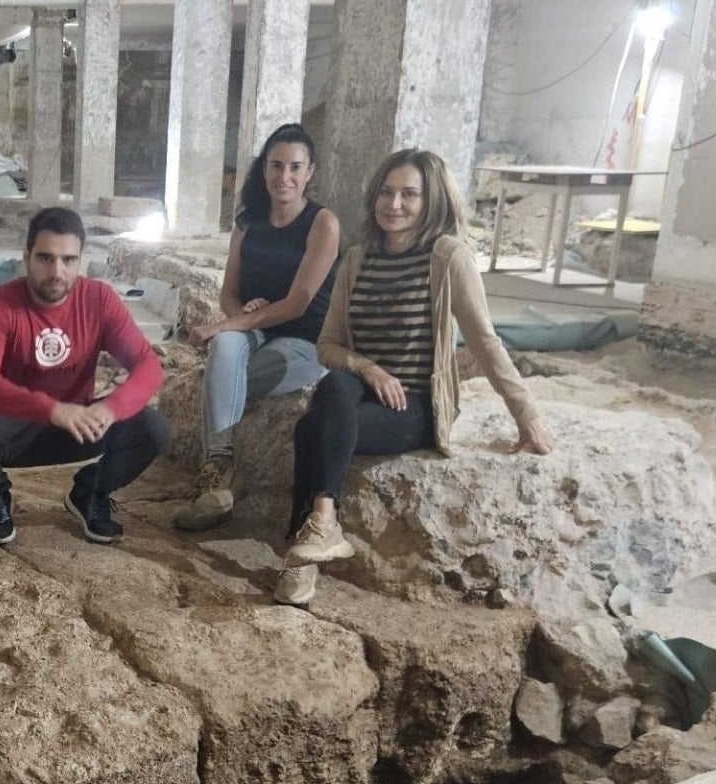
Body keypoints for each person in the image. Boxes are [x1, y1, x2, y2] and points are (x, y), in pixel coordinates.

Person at [274, 148, 556, 606]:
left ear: (432, 201)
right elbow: (328, 346)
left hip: (415, 408)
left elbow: (484, 341)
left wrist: (526, 415)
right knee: (333, 387)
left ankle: (300, 552)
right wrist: (368, 367)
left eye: (409, 194)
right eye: (386, 192)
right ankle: (322, 525)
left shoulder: (448, 258)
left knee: (311, 428)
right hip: (359, 396)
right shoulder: (357, 260)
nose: (394, 204)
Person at [0, 207, 170, 546]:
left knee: (153, 429)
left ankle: (90, 493)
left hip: (79, 425)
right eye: (45, 258)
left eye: (68, 260)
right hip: (15, 427)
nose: (57, 271)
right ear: (26, 257)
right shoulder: (2, 302)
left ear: (80, 260)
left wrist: (111, 408)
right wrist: (51, 409)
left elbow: (148, 365)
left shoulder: (99, 299)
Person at [175, 123, 342, 532]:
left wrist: (232, 323)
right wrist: (237, 318)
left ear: (310, 172)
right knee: (226, 347)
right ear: (264, 168)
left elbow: (298, 303)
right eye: (276, 165)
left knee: (224, 371)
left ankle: (217, 483)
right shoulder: (247, 223)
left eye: (295, 167)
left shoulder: (322, 223)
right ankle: (218, 468)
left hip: (304, 341)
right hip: (258, 330)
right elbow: (229, 293)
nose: (284, 176)